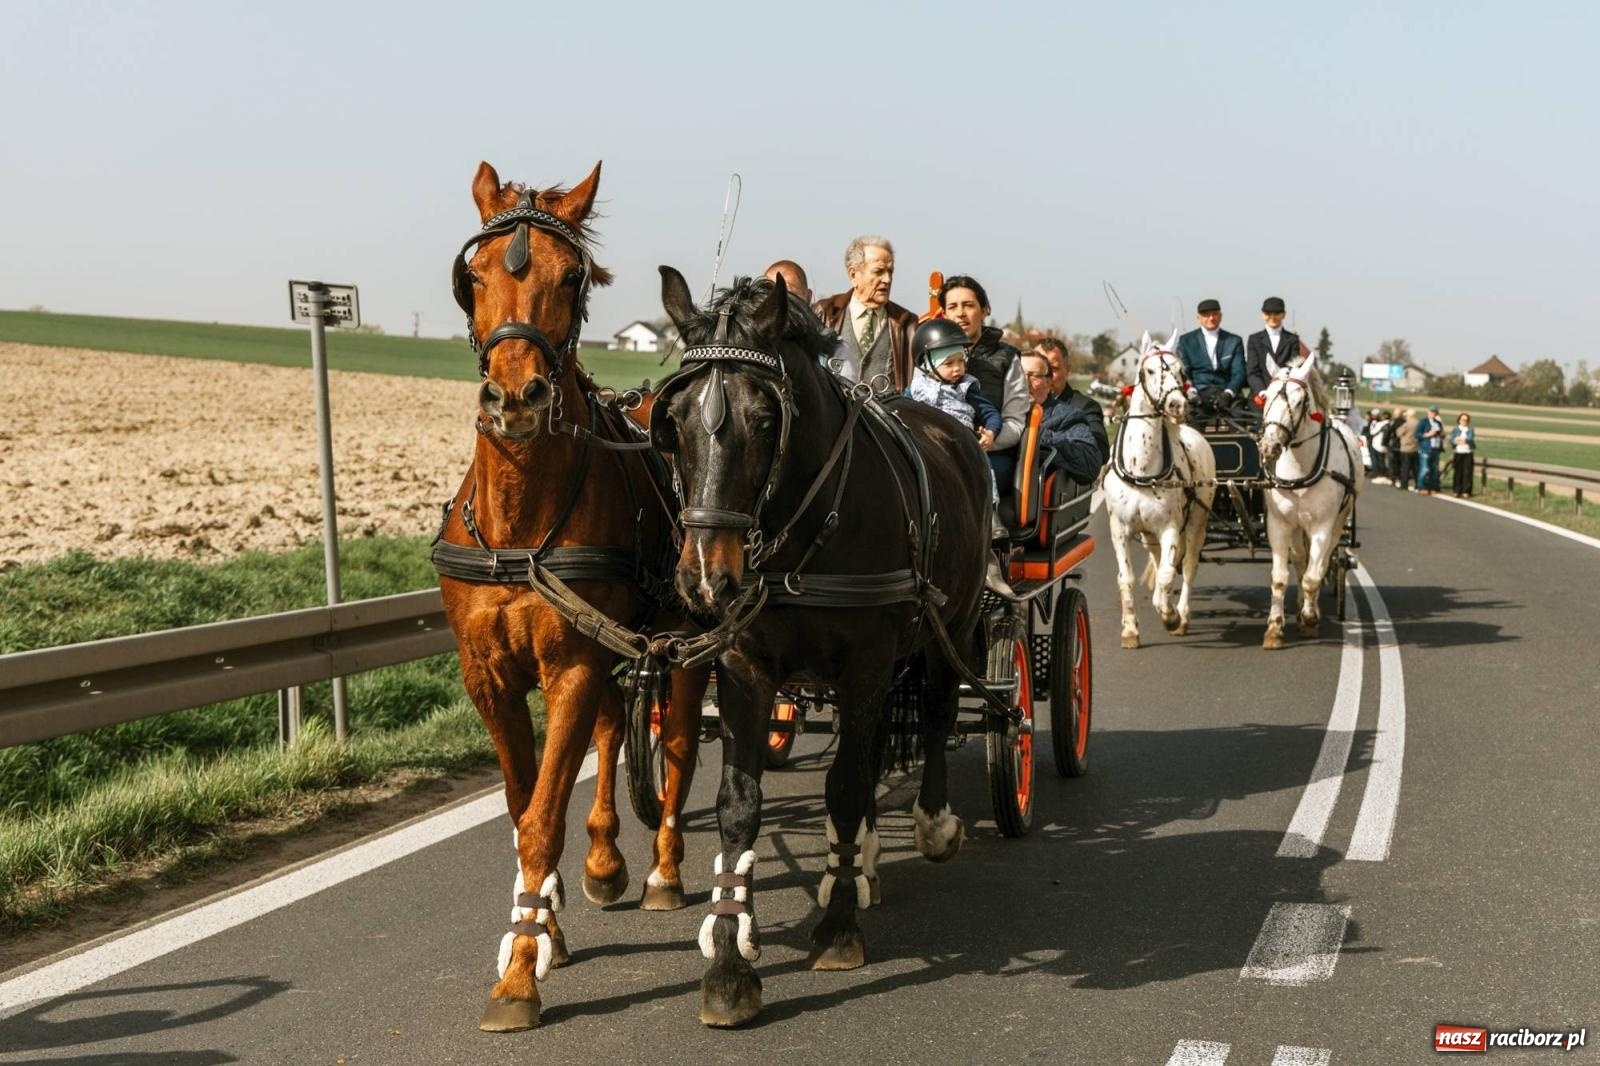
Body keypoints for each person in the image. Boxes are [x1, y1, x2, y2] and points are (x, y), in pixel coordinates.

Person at [941, 274, 1030, 492]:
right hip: (938, 449)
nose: (960, 313)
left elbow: (1015, 422)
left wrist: (983, 441)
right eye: (953, 306)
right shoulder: (929, 355)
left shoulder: (1007, 358)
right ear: (944, 314)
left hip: (990, 454)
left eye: (968, 305)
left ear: (984, 310)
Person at [813, 236, 918, 390]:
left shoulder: (906, 323)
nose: (887, 279)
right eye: (879, 271)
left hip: (887, 412)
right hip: (837, 412)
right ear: (853, 275)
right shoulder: (824, 313)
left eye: (890, 271)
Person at [905, 318, 1001, 448]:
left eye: (961, 361)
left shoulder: (966, 386)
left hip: (962, 443)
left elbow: (991, 414)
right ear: (928, 365)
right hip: (926, 444)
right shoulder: (916, 388)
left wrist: (990, 433)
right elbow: (902, 412)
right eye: (948, 363)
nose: (957, 368)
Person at [1022, 351, 1104, 484]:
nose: (1025, 382)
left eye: (1034, 376)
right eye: (1018, 375)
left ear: (1049, 383)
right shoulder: (997, 411)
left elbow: (1090, 464)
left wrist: (1035, 433)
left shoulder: (1067, 416)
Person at [1034, 337, 1111, 469]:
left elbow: (1100, 452)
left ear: (1067, 370)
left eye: (1053, 368)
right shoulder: (1016, 404)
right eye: (1038, 369)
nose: (1045, 376)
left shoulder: (1084, 407)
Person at [1176, 299, 1246, 410]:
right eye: (1206, 315)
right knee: (1191, 418)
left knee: (1240, 418)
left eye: (1214, 314)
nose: (1211, 318)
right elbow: (1184, 372)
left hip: (1226, 392)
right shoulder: (1186, 341)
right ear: (1198, 318)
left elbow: (1239, 372)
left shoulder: (1234, 341)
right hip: (1199, 392)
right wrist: (1191, 392)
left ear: (1220, 316)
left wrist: (1228, 393)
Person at [1245, 297, 1304, 395]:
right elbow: (1252, 372)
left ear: (1283, 315)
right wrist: (1262, 391)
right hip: (1261, 395)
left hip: (1285, 394)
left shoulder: (1292, 339)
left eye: (1276, 313)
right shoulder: (1254, 339)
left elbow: (1294, 367)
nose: (1272, 317)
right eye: (1268, 313)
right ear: (1262, 315)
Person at [1416, 404, 1444, 495]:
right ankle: (1421, 487)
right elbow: (1417, 434)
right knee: (1424, 469)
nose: (1433, 413)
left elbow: (1440, 433)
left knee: (1434, 469)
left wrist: (1441, 436)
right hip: (1425, 448)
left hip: (1435, 448)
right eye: (1431, 412)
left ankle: (1433, 487)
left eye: (1435, 412)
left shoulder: (1438, 423)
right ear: (1428, 412)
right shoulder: (1423, 422)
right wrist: (1427, 434)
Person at [1449, 412, 1476, 497]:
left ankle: (1466, 491)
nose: (1464, 421)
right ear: (1459, 420)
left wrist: (1463, 440)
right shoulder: (1455, 429)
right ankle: (1457, 490)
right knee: (1458, 472)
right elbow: (1452, 439)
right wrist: (1457, 441)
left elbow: (1470, 438)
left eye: (1466, 420)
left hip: (1467, 452)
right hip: (1458, 452)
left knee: (1467, 472)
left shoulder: (1470, 429)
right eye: (1463, 420)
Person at [1394, 408, 1419, 491]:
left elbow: (1398, 433)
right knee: (1416, 468)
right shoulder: (1418, 423)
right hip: (1416, 448)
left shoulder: (1407, 424)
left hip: (1406, 448)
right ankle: (1418, 484)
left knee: (1405, 467)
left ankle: (1404, 484)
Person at [1367, 409, 1391, 484]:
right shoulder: (1389, 423)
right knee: (1382, 459)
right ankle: (1381, 472)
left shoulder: (1380, 424)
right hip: (1382, 444)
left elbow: (1372, 432)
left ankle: (1378, 473)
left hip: (1377, 444)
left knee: (1377, 459)